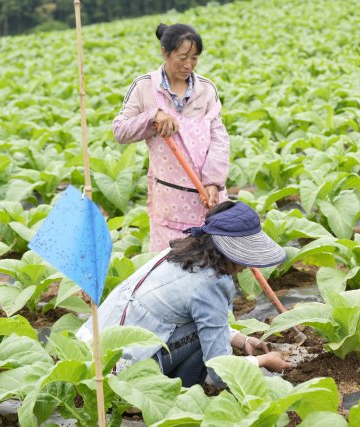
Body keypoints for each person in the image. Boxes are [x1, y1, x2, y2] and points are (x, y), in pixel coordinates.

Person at [77, 201, 291, 386]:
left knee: (201, 330)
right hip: (120, 374)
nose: (246, 265)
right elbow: (219, 371)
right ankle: (179, 394)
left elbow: (193, 318)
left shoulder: (178, 253)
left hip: (88, 356)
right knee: (203, 339)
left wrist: (241, 340)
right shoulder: (211, 284)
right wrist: (263, 361)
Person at [113, 23, 230, 252]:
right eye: (182, 57)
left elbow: (219, 137)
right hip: (170, 199)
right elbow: (120, 130)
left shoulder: (206, 89)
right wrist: (152, 117)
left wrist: (214, 182)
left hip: (208, 196)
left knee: (212, 263)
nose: (189, 65)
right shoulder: (145, 86)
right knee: (171, 265)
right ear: (165, 52)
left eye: (194, 58)